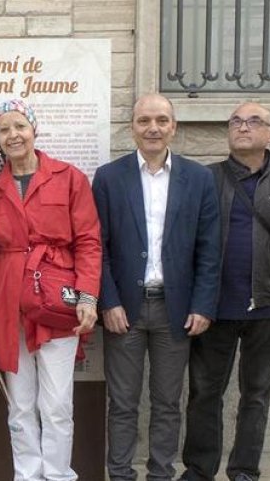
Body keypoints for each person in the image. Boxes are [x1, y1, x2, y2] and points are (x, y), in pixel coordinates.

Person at [0, 99, 101, 481]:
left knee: (57, 403)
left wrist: (88, 296)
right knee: (21, 404)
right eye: (4, 130)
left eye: (19, 126)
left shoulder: (69, 176)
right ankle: (27, 475)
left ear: (34, 130)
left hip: (57, 305)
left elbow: (89, 242)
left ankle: (58, 475)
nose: (13, 135)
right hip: (8, 306)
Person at [92, 94, 221, 481]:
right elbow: (97, 247)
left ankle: (161, 473)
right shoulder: (110, 177)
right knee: (123, 402)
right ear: (132, 127)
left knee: (168, 402)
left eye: (161, 120)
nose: (153, 128)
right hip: (125, 310)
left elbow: (209, 249)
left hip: (176, 309)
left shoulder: (198, 178)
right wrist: (108, 301)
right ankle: (120, 474)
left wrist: (203, 305)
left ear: (173, 127)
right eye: (145, 120)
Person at [181, 103, 270, 481]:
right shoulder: (206, 178)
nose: (243, 127)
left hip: (268, 307)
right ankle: (199, 470)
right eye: (235, 121)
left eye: (253, 122)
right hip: (212, 308)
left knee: (257, 393)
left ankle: (244, 469)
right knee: (203, 393)